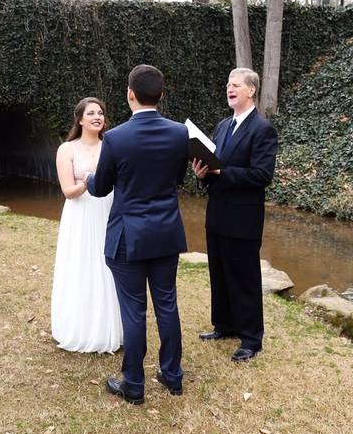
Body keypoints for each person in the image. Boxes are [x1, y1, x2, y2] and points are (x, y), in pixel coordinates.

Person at [87, 65, 190, 405]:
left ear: (130, 93)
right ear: (161, 96)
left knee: (134, 311)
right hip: (165, 233)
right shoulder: (179, 134)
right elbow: (177, 179)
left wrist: (88, 178)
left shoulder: (115, 138)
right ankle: (172, 376)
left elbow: (101, 188)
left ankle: (134, 383)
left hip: (128, 239)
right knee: (167, 305)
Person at [192, 68, 278, 362]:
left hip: (243, 218)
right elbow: (214, 166)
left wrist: (221, 171)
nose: (229, 88)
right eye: (228, 84)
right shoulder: (222, 126)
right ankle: (224, 325)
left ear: (251, 90)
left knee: (245, 278)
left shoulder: (263, 129)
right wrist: (202, 173)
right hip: (217, 213)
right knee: (219, 272)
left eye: (236, 85)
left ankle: (251, 338)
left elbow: (262, 175)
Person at [50, 97, 123, 353]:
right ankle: (80, 328)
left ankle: (110, 329)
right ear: (80, 119)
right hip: (81, 215)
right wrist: (90, 181)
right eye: (91, 113)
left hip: (108, 211)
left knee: (108, 266)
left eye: (101, 113)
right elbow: (68, 190)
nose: (97, 117)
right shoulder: (67, 149)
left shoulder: (111, 145)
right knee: (82, 265)